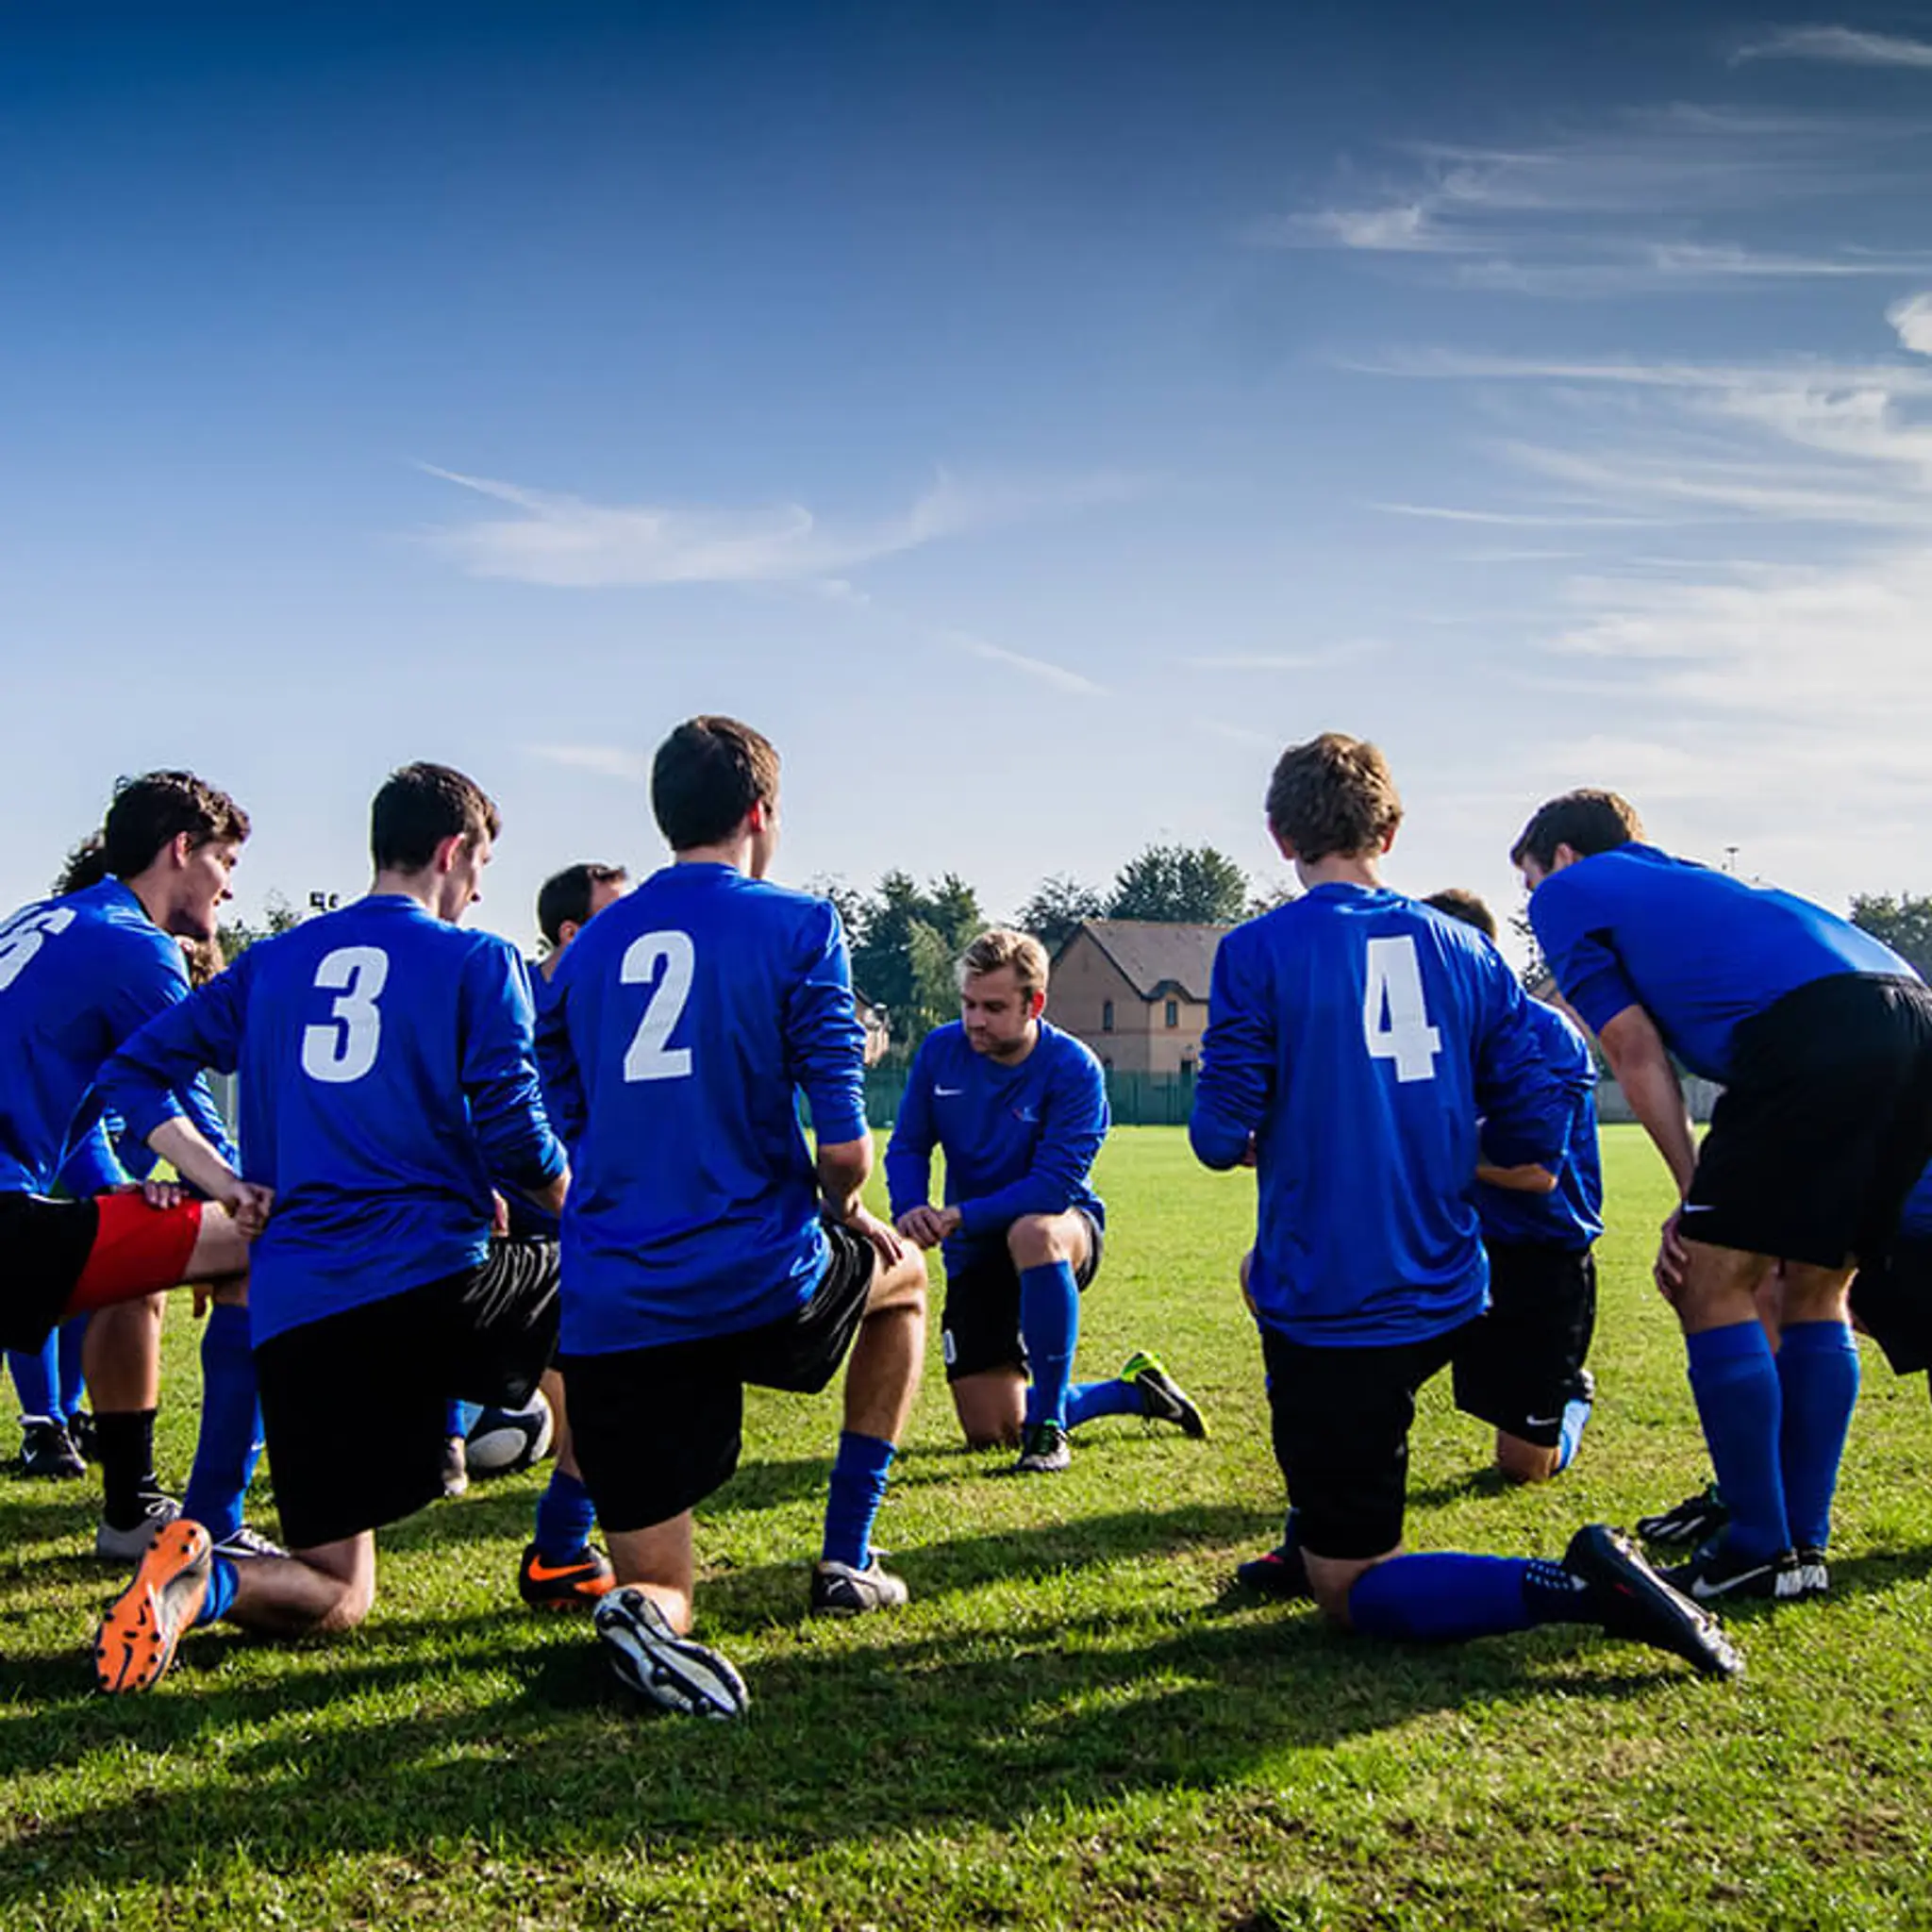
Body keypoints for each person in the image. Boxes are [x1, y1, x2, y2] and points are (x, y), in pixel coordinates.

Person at [1195, 733, 1738, 1679]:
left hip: (1338, 1296)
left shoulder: (1255, 950)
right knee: (1296, 1340)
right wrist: (1444, 1141)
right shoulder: (1466, 950)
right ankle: (1315, 1522)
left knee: (1350, 1589)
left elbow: (1215, 1132)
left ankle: (1581, 1586)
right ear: (1390, 832)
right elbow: (1535, 1109)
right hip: (1454, 1277)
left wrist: (1269, 1128)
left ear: (1279, 836)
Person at [92, 762, 578, 1693]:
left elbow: (131, 1071)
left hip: (299, 1309)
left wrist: (223, 1181)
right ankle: (568, 1549)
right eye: (481, 866)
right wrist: (588, 1206)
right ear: (452, 851)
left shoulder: (275, 961)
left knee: (338, 1589)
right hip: (430, 1285)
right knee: (618, 1306)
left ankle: (205, 1581)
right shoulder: (478, 960)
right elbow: (518, 1135)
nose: (479, 891)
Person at [541, 715, 928, 1719]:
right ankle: (847, 1555)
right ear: (760, 813)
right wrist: (845, 1209)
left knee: (663, 1582)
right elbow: (844, 1149)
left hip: (616, 1301)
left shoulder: (583, 949)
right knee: (905, 1281)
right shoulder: (800, 925)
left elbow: (560, 1119)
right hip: (755, 1278)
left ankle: (641, 1612)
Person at [1515, 791, 1932, 1603]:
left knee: (1709, 1281)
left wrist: (1692, 1189)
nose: (1534, 902)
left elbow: (1632, 1049)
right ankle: (1799, 1549)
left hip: (1817, 1027)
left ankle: (1754, 1544)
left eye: (1530, 880)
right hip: (1912, 1015)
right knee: (1817, 1287)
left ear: (1561, 856)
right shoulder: (1690, 884)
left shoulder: (1571, 890)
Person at [0, 774, 263, 1559]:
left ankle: (133, 1505)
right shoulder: (135, 946)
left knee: (142, 1243)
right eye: (224, 861)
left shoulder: (43, 921)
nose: (227, 887)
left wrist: (125, 1196)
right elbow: (188, 1103)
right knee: (267, 1237)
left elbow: (69, 1120)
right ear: (181, 848)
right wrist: (242, 1193)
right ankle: (210, 1517)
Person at [886, 927, 1206, 1473]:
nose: (975, 1020)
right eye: (968, 1003)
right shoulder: (940, 1051)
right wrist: (910, 1207)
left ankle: (1049, 1430)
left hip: (1062, 1232)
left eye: (993, 1007)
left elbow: (1051, 1188)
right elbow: (909, 1144)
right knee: (991, 1430)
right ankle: (1133, 1391)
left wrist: (959, 1214)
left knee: (1033, 1231)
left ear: (1034, 1005)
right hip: (974, 1248)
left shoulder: (1074, 1068)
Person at [1423, 890, 1601, 1485]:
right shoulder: (1424, 1033)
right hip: (1457, 1243)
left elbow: (1534, 1174)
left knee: (1523, 1469)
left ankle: (1571, 1398)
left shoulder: (1544, 1036)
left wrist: (1427, 1157)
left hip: (1540, 1253)